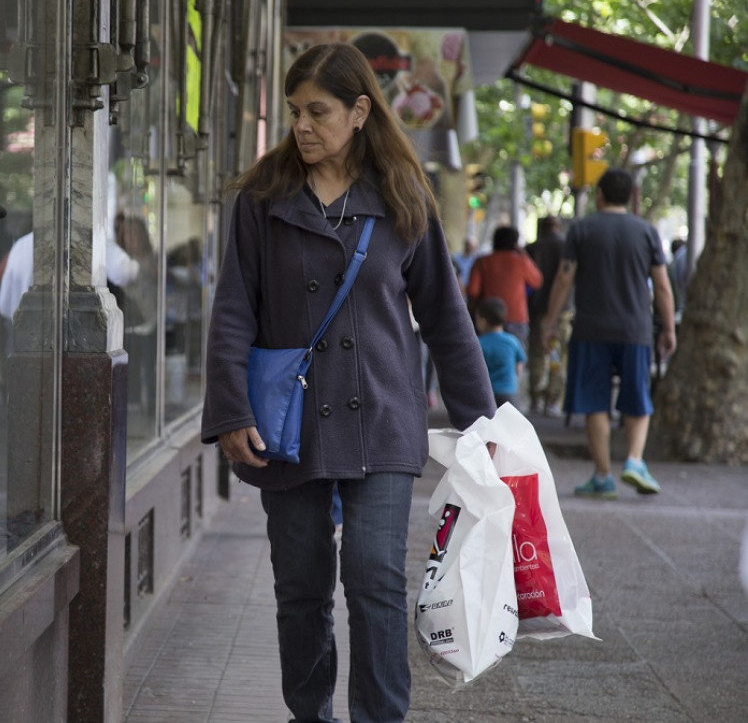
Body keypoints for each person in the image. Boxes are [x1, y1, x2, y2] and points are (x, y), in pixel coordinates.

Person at [200, 43, 496, 723]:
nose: (304, 125)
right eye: (297, 111)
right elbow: (233, 309)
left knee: (374, 579)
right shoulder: (262, 200)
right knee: (300, 588)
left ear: (360, 111)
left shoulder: (402, 196)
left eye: (320, 111)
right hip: (290, 423)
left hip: (384, 416)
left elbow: (447, 319)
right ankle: (311, 714)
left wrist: (485, 426)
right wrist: (230, 408)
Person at [541, 167, 676, 499]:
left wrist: (549, 322)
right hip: (636, 330)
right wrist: (669, 327)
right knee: (637, 397)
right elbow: (661, 285)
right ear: (631, 196)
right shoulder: (646, 231)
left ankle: (602, 476)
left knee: (594, 401)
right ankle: (634, 460)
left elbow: (563, 278)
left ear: (599, 195)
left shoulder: (582, 229)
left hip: (590, 329)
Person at [466, 224, 543, 350]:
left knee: (487, 359)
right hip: (517, 318)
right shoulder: (521, 261)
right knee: (514, 358)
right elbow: (537, 281)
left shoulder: (482, 262)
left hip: (488, 318)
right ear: (515, 243)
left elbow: (472, 291)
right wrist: (524, 254)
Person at [526, 215, 572, 415]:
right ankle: (552, 401)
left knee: (536, 353)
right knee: (556, 353)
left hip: (537, 310)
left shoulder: (532, 248)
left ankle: (536, 397)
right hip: (561, 311)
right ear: (558, 226)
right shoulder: (567, 246)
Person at [475, 297, 527, 407]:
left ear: (483, 321)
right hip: (509, 394)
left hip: (486, 395)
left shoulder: (478, 344)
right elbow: (519, 367)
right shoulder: (512, 341)